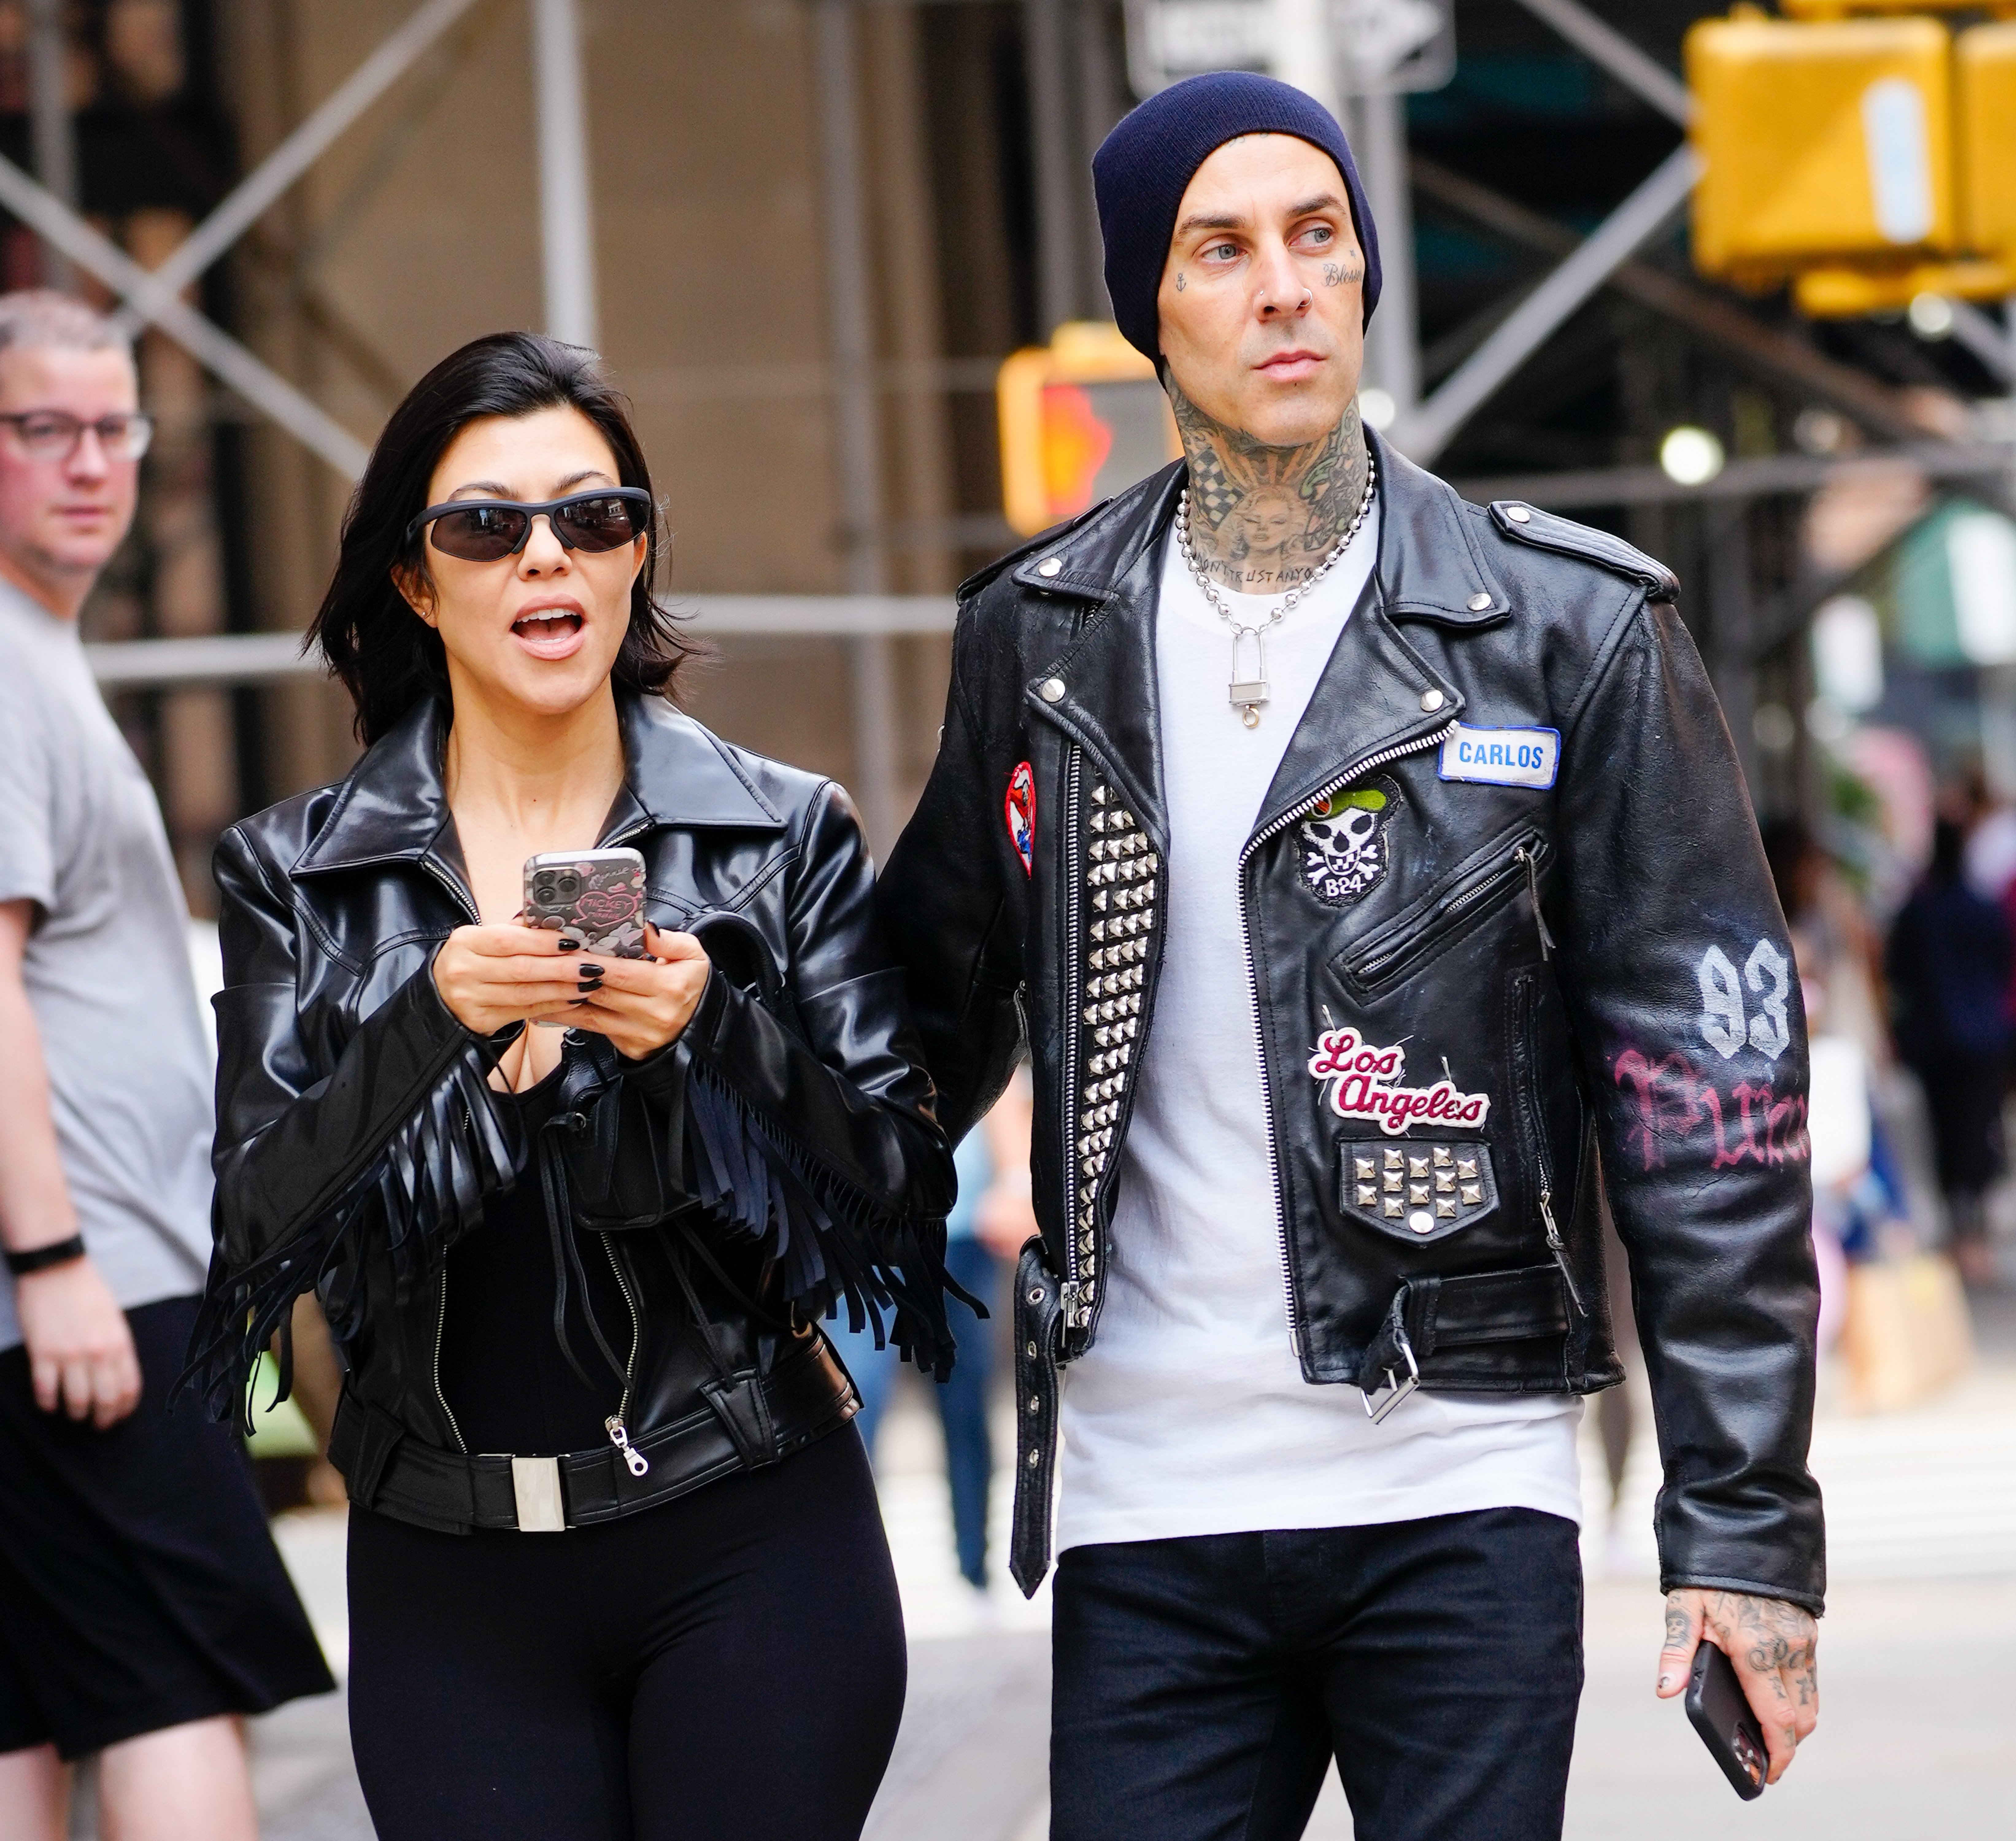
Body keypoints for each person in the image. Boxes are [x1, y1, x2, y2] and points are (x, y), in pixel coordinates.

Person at [879, 74, 1824, 1841]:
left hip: (1457, 1477)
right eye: (1220, 248)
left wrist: (1744, 1532)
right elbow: (910, 1020)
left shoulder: (1561, 627)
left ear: (1365, 277)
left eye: (1316, 237)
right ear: (1143, 310)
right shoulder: (1043, 638)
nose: (1282, 286)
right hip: (1149, 1504)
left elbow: (1708, 1101)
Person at [178, 332, 960, 1841]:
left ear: (635, 550)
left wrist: (712, 1033)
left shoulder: (777, 833)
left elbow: (900, 1192)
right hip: (447, 1572)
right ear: (414, 578)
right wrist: (434, 1022)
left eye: (593, 516)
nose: (547, 555)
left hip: (751, 1534)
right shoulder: (295, 871)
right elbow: (252, 1225)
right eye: (486, 523)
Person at [0, 291, 332, 1840]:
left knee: (34, 1699)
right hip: (90, 1286)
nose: (89, 462)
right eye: (38, 428)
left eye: (113, 424)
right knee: (171, 1685)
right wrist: (54, 1255)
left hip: (91, 1279)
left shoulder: (39, 656)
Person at [834, 1079, 1035, 1591]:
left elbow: (1001, 1071)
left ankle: (975, 1565)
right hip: (861, 1225)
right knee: (856, 1400)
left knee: (964, 1401)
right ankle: (855, 1572)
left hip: (960, 1225)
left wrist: (1014, 1182)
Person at [1886, 815, 2010, 1287]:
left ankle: (1962, 1235)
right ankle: (1972, 1234)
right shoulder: (1982, 907)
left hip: (1936, 1043)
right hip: (1982, 1041)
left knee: (1947, 1137)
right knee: (1979, 1134)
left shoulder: (1918, 910)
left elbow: (1899, 971)